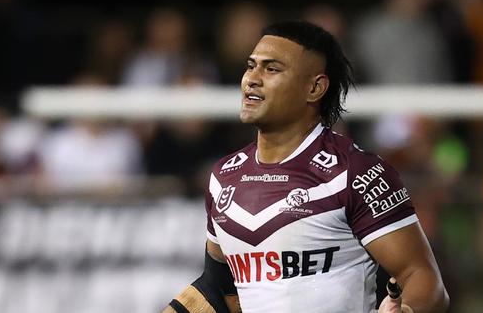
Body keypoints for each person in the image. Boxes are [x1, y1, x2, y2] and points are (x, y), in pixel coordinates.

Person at [162, 21, 449, 313]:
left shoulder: (355, 173)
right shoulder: (224, 178)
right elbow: (219, 288)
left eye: (271, 69)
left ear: (314, 88)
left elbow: (424, 279)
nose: (252, 79)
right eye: (251, 66)